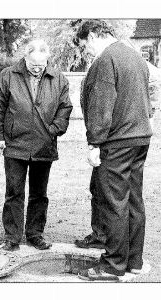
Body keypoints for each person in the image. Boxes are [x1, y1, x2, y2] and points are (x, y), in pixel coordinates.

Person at [73, 20, 153, 281]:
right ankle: (134, 261)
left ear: (95, 35)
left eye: (86, 45)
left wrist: (94, 143)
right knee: (133, 200)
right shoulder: (135, 56)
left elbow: (101, 105)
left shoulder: (105, 59)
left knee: (113, 202)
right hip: (140, 138)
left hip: (117, 141)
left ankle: (112, 265)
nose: (87, 51)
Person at [0, 39, 73, 251]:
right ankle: (12, 237)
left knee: (39, 194)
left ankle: (35, 234)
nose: (37, 68)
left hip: (44, 146)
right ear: (25, 58)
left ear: (47, 59)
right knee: (14, 192)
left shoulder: (59, 79)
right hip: (15, 145)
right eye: (33, 64)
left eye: (41, 64)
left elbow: (65, 109)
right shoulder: (8, 75)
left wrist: (53, 130)